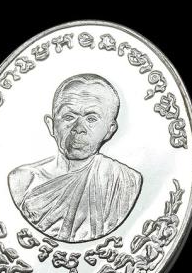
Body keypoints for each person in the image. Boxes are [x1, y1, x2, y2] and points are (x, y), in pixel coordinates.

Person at [8, 73, 142, 243]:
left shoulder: (126, 181)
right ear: (51, 125)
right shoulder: (22, 181)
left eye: (91, 119)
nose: (79, 128)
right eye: (69, 117)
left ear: (110, 130)